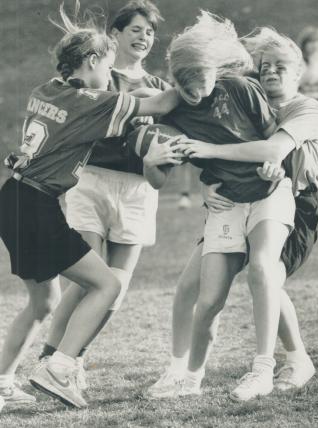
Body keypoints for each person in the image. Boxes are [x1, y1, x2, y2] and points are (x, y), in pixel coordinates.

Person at [0, 2, 179, 410]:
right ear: (93, 60)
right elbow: (162, 106)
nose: (109, 78)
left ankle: (2, 383)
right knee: (107, 284)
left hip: (12, 197)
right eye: (107, 66)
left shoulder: (45, 89)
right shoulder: (93, 101)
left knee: (44, 302)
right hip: (37, 205)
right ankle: (60, 366)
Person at [145, 24, 318, 401]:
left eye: (280, 66)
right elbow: (186, 130)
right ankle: (183, 373)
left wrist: (210, 156)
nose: (271, 71)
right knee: (197, 291)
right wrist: (205, 182)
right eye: (264, 66)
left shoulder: (304, 106)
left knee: (265, 272)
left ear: (299, 72)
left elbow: (271, 151)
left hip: (295, 198)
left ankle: (285, 361)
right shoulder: (235, 96)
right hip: (230, 196)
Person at [298, 26, 318, 189]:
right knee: (303, 144)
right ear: (304, 44)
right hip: (304, 108)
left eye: (317, 42)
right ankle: (301, 182)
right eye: (310, 42)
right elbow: (295, 86)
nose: (314, 46)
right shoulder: (298, 62)